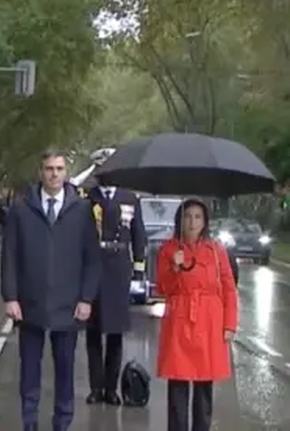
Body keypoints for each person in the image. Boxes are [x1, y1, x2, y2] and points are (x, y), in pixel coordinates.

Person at [0, 150, 101, 431]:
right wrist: (10, 296)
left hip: (68, 305)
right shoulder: (22, 209)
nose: (54, 174)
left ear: (66, 173)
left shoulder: (82, 210)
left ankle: (62, 423)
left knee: (65, 371)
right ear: (40, 171)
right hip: (31, 302)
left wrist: (86, 298)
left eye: (58, 169)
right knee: (29, 371)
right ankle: (29, 423)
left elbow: (92, 258)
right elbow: (10, 255)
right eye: (48, 169)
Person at [156, 199, 237, 431]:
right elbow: (163, 288)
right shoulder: (169, 249)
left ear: (205, 222)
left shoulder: (216, 250)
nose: (192, 222)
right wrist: (174, 268)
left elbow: (229, 288)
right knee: (178, 386)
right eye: (187, 216)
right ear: (179, 220)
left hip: (209, 323)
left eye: (197, 217)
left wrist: (229, 324)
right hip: (179, 323)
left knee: (203, 389)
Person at [85, 183, 147, 405]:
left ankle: (111, 389)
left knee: (115, 331)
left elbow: (138, 233)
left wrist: (139, 270)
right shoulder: (88, 196)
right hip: (93, 265)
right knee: (93, 331)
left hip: (119, 266)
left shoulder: (129, 196)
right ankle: (96, 387)